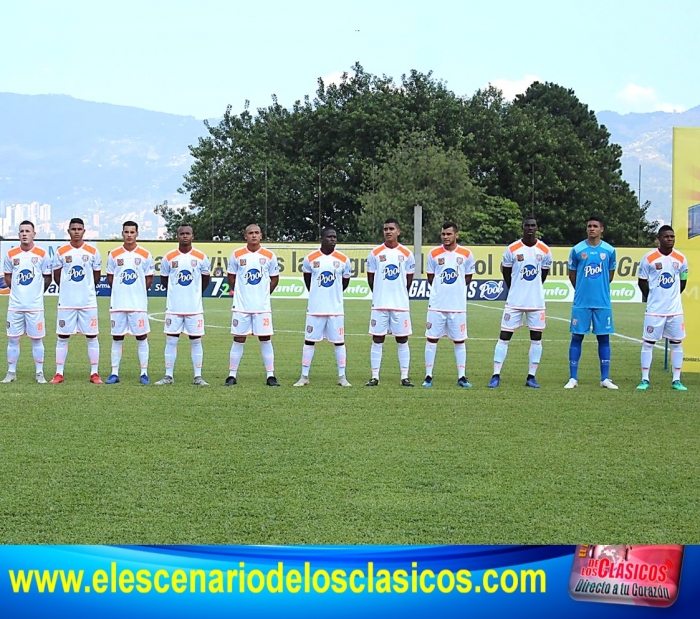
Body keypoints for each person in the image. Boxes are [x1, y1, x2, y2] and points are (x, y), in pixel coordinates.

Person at [488, 217, 552, 388]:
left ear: (537, 228)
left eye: (533, 225)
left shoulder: (545, 250)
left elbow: (543, 275)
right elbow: (507, 274)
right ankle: (496, 375)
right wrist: (516, 288)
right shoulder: (512, 249)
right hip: (514, 301)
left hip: (536, 303)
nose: (530, 228)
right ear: (522, 227)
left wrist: (532, 289)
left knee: (536, 339)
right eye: (527, 226)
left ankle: (531, 376)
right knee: (504, 337)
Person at [293, 227, 352, 387]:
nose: (333, 239)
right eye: (329, 237)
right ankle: (304, 376)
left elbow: (345, 283)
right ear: (322, 238)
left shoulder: (343, 259)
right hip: (315, 309)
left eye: (335, 237)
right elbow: (308, 281)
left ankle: (342, 376)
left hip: (335, 310)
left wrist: (333, 295)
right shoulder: (310, 258)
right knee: (309, 341)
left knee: (339, 342)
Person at [224, 223, 281, 387]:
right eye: (251, 233)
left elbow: (275, 278)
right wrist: (241, 294)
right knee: (238, 338)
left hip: (262, 307)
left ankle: (270, 375)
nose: (254, 235)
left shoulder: (269, 255)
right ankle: (231, 375)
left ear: (261, 236)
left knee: (265, 338)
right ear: (245, 236)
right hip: (241, 306)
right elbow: (231, 278)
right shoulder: (237, 254)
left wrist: (264, 294)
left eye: (257, 233)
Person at [565, 216, 618, 389]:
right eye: (589, 226)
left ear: (602, 229)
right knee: (576, 337)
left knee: (604, 338)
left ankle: (605, 378)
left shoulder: (609, 251)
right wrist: (582, 289)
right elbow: (572, 275)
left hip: (602, 302)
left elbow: (609, 276)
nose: (592, 229)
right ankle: (573, 378)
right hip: (582, 302)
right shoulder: (577, 249)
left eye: (595, 226)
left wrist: (598, 289)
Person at [154, 225, 211, 386]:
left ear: (192, 236)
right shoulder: (169, 257)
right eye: (182, 234)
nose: (185, 236)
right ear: (177, 236)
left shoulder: (201, 257)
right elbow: (165, 280)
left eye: (188, 234)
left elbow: (206, 279)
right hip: (174, 308)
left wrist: (195, 293)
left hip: (194, 308)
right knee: (171, 341)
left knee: (196, 340)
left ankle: (198, 376)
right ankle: (168, 375)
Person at [50, 218, 103, 384]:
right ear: (69, 231)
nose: (76, 231)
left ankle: (94, 373)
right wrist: (68, 289)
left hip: (87, 302)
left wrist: (84, 289)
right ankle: (59, 373)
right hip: (67, 302)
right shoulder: (61, 252)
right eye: (73, 229)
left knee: (92, 336)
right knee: (63, 337)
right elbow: (57, 276)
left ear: (84, 231)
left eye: (79, 229)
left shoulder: (93, 252)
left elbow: (96, 276)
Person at [422, 222, 475, 388]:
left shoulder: (466, 254)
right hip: (437, 306)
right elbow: (431, 278)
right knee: (431, 340)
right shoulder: (433, 253)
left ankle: (462, 376)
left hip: (457, 306)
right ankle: (428, 376)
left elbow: (467, 277)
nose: (445, 237)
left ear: (456, 235)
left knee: (459, 341)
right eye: (443, 234)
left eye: (449, 234)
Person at [636, 225, 689, 391]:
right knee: (648, 343)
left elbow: (683, 280)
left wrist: (672, 297)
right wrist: (653, 297)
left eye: (672, 236)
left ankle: (676, 380)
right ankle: (645, 379)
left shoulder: (681, 258)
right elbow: (642, 281)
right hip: (654, 310)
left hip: (675, 311)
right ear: (659, 239)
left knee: (676, 343)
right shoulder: (649, 258)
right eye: (666, 237)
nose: (670, 239)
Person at [365, 218, 416, 387]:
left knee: (402, 340)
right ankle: (374, 377)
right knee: (377, 339)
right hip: (380, 304)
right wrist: (381, 293)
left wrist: (398, 293)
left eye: (391, 229)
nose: (388, 231)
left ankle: (404, 377)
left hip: (400, 305)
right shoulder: (374, 253)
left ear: (398, 231)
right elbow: (371, 279)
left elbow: (408, 280)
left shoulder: (407, 254)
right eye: (385, 229)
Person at [2, 221, 53, 383]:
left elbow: (48, 278)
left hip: (35, 307)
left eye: (27, 231)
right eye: (22, 231)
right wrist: (19, 292)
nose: (24, 234)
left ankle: (39, 373)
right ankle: (11, 372)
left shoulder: (42, 254)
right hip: (15, 306)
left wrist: (36, 294)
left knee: (37, 340)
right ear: (18, 235)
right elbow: (8, 278)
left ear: (34, 234)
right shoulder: (11, 255)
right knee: (13, 339)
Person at [105, 221, 155, 385]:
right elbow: (111, 278)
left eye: (132, 232)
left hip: (137, 304)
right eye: (126, 232)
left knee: (141, 337)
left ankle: (144, 373)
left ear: (137, 234)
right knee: (117, 338)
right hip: (118, 304)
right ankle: (114, 373)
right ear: (122, 233)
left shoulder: (145, 254)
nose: (129, 235)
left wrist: (137, 292)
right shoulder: (114, 254)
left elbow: (148, 279)